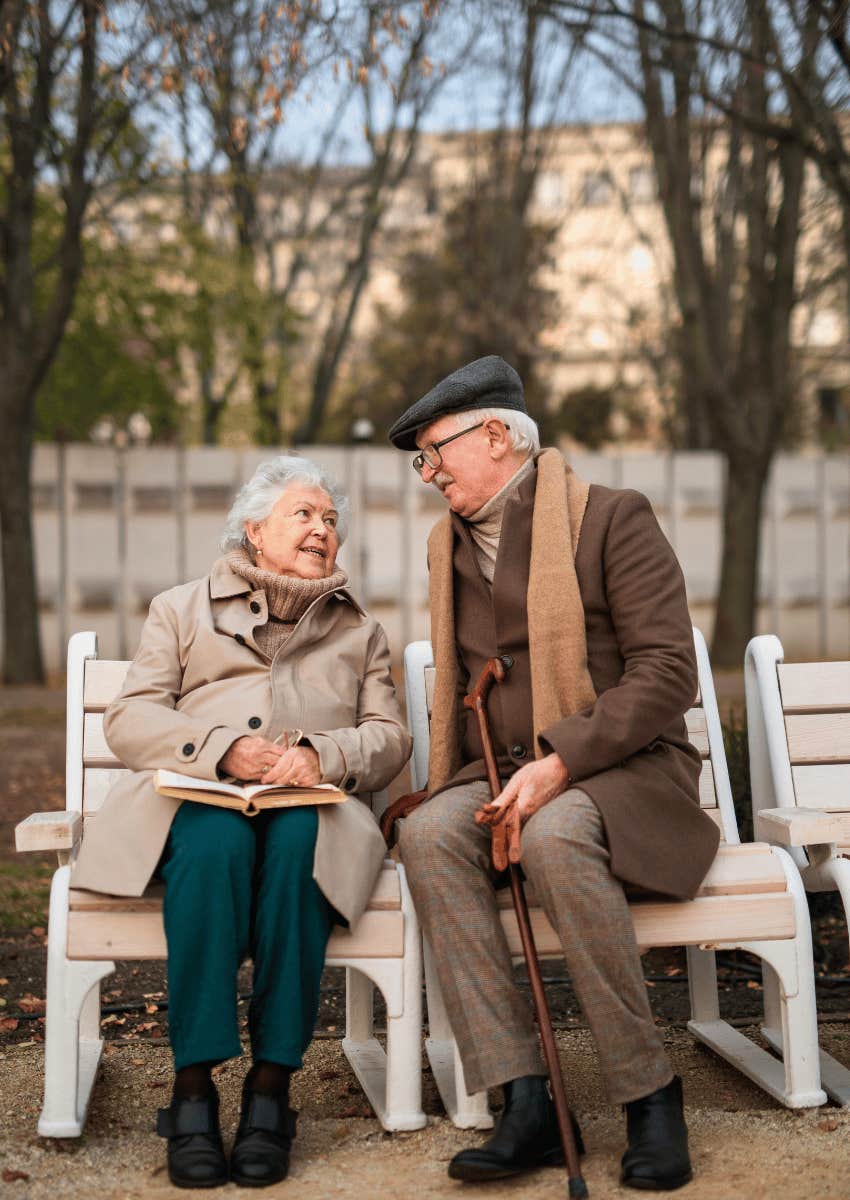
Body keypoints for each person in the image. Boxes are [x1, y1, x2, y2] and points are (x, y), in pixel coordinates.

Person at [387, 356, 719, 1191]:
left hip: (624, 769)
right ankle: (525, 1102)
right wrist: (488, 772)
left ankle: (649, 1094)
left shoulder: (611, 519)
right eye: (420, 461)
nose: (429, 474)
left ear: (495, 435)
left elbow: (666, 672)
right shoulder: (447, 548)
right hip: (500, 768)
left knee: (557, 832)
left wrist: (563, 760)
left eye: (436, 452)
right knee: (428, 834)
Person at [71, 455, 411, 1189]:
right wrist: (221, 751)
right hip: (200, 799)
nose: (322, 529)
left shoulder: (361, 632)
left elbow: (389, 737)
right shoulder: (181, 608)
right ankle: (192, 1087)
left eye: (330, 519)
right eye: (304, 515)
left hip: (310, 806)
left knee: (297, 849)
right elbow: (131, 718)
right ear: (255, 531)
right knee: (214, 842)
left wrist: (322, 754)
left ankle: (271, 1090)